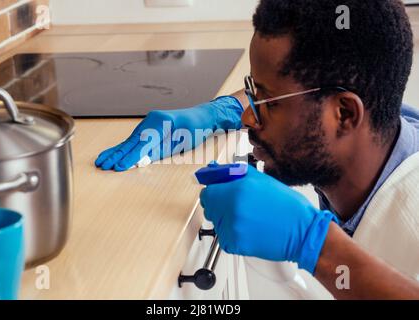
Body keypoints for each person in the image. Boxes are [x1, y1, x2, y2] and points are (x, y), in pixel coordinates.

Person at [95, 0, 419, 299]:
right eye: (253, 93)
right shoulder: (385, 125)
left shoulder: (409, 224)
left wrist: (316, 246)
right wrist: (221, 110)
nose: (249, 116)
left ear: (345, 114)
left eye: (265, 102)